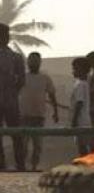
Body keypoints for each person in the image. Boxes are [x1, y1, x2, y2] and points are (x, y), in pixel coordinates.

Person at [17, 52, 58, 171]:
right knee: (23, 144)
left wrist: (55, 112)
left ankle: (34, 167)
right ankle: (22, 167)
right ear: (28, 62)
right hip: (24, 116)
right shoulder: (22, 78)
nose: (33, 63)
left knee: (37, 145)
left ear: (40, 62)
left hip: (39, 117)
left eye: (36, 61)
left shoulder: (45, 78)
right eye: (31, 61)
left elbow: (52, 95)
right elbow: (15, 93)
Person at [0, 23, 25, 170]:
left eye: (6, 34)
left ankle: (20, 164)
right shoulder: (15, 57)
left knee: (16, 133)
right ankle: (1, 164)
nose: (6, 37)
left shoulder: (16, 57)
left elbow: (21, 80)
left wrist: (13, 92)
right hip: (8, 99)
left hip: (11, 101)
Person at [70, 57, 93, 156]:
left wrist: (74, 120)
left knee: (82, 147)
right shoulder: (84, 84)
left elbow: (79, 103)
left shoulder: (80, 85)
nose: (73, 71)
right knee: (83, 147)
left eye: (75, 69)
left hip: (81, 122)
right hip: (85, 121)